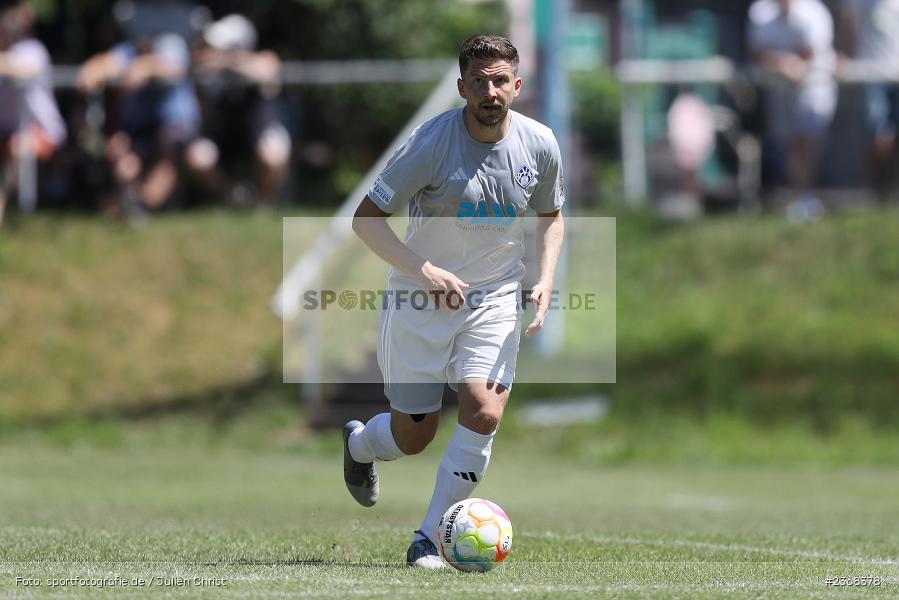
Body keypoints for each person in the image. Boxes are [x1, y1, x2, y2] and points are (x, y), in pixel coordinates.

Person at [343, 34, 565, 569]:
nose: (491, 91)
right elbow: (366, 220)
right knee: (414, 434)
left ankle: (428, 539)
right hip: (420, 298)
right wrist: (424, 270)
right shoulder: (430, 143)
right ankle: (359, 446)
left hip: (495, 296)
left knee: (484, 411)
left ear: (517, 85)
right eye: (480, 81)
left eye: (500, 80)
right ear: (463, 87)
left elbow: (551, 215)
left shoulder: (540, 144)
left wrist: (545, 279)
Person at [77, 0, 206, 219]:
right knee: (121, 155)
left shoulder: (171, 45)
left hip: (175, 125)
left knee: (169, 153)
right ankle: (132, 205)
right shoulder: (130, 48)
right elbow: (105, 64)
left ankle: (143, 204)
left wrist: (148, 67)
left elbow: (174, 67)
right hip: (140, 127)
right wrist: (92, 70)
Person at [186, 13, 291, 207]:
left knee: (273, 154)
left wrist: (232, 63)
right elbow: (195, 63)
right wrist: (219, 63)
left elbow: (268, 72)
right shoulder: (211, 65)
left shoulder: (262, 59)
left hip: (258, 131)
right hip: (224, 137)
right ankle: (234, 197)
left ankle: (264, 204)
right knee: (197, 156)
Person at [747, 0, 837, 220]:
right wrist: (783, 64)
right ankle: (799, 197)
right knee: (789, 146)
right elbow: (756, 51)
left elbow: (810, 52)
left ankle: (806, 197)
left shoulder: (815, 13)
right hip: (780, 91)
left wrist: (791, 65)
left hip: (813, 89)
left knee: (806, 144)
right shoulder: (760, 12)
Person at [0, 0, 66, 225]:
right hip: (8, 131)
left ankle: (7, 207)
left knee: (17, 147)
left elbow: (22, 69)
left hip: (42, 131)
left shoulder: (33, 50)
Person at [839, 0, 899, 200]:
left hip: (896, 74)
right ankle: (879, 189)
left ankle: (891, 188)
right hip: (870, 73)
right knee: (878, 136)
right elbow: (849, 28)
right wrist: (847, 56)